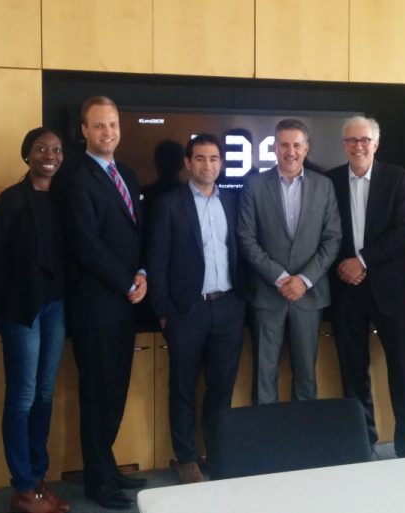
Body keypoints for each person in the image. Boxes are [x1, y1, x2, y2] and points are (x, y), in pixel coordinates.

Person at [62, 96, 147, 510]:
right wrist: (125, 282)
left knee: (114, 391)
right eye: (98, 125)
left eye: (112, 124)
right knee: (97, 395)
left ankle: (107, 466)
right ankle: (97, 481)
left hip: (124, 304)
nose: (107, 132)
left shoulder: (126, 173)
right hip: (95, 305)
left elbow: (136, 232)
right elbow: (86, 244)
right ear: (84, 130)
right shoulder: (75, 177)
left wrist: (142, 272)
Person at [148, 133, 246, 484]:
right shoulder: (169, 204)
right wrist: (163, 311)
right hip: (186, 310)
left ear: (222, 163)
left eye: (214, 158)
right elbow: (157, 260)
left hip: (228, 307)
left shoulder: (232, 201)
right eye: (200, 158)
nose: (208, 165)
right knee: (183, 387)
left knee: (221, 387)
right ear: (188, 163)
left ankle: (217, 453)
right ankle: (186, 457)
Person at [0, 128, 70, 513]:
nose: (50, 155)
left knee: (45, 395)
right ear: (27, 155)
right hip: (20, 310)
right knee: (23, 396)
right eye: (41, 149)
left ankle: (37, 480)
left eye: (56, 149)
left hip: (56, 307)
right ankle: (22, 487)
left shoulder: (65, 199)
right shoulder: (11, 200)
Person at [326, 116, 405, 457]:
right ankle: (363, 442)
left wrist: (362, 260)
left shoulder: (397, 178)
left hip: (389, 289)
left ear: (375, 144)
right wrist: (345, 265)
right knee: (352, 371)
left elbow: (404, 231)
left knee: (402, 367)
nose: (358, 146)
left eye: (364, 140)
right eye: (351, 140)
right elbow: (324, 232)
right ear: (344, 145)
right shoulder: (330, 181)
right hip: (346, 288)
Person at [238, 118, 342, 404]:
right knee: (264, 375)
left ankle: (302, 431)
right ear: (275, 147)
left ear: (306, 148)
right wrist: (281, 278)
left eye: (297, 145)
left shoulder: (324, 186)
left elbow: (333, 238)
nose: (290, 151)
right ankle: (266, 432)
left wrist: (304, 280)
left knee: (306, 375)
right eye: (284, 145)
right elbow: (246, 238)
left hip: (309, 295)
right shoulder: (254, 185)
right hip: (267, 294)